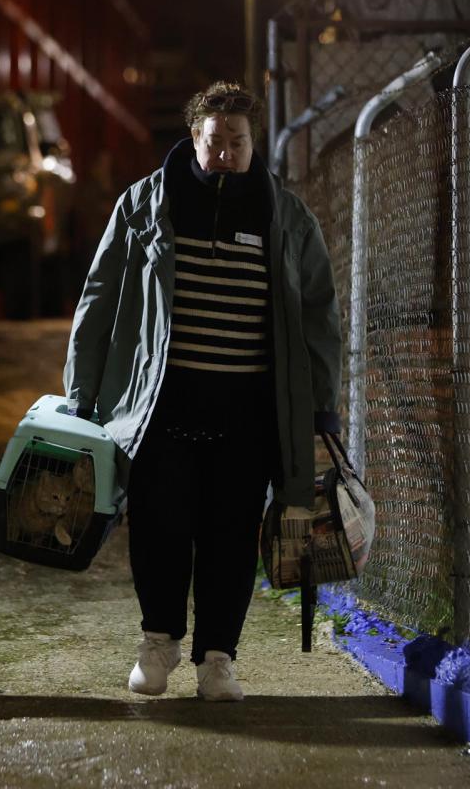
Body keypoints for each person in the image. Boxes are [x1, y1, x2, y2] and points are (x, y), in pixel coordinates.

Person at [64, 81, 342, 702]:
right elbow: (99, 295)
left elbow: (320, 315)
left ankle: (219, 659)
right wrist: (81, 393)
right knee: (158, 530)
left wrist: (324, 404)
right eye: (215, 142)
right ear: (195, 138)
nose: (225, 154)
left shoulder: (286, 217)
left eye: (237, 143)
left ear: (254, 144)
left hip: (246, 416)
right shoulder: (144, 205)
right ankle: (157, 645)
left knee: (231, 536)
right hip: (160, 410)